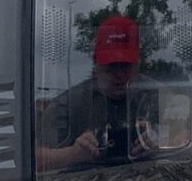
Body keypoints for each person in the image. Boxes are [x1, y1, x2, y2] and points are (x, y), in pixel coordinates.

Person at [35, 13, 154, 172]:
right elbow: (34, 160)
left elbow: (189, 137)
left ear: (138, 64)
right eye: (111, 65)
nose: (119, 74)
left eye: (126, 65)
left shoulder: (157, 95)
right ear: (95, 64)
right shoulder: (67, 105)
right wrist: (73, 154)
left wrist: (162, 144)